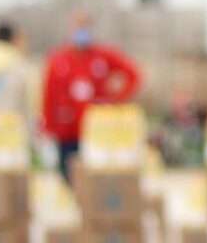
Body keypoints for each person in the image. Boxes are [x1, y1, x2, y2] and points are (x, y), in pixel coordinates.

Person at [41, 12, 140, 186]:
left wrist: (116, 100)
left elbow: (133, 74)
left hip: (98, 132)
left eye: (84, 27)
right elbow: (48, 95)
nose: (81, 32)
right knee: (69, 177)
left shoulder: (102, 55)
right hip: (68, 132)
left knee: (96, 181)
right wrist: (48, 128)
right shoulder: (58, 59)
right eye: (77, 27)